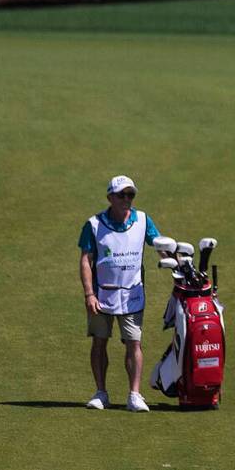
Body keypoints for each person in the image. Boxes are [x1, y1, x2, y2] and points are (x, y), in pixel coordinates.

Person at [78, 175, 163, 412]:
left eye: (131, 195)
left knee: (134, 343)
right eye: (122, 195)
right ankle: (101, 393)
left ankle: (134, 395)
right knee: (99, 342)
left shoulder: (143, 220)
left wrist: (174, 260)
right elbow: (86, 260)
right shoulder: (94, 224)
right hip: (101, 295)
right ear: (110, 197)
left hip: (132, 294)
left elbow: (158, 245)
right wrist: (88, 294)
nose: (127, 199)